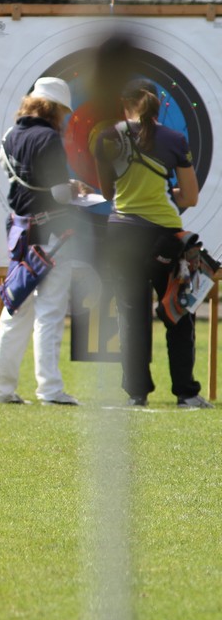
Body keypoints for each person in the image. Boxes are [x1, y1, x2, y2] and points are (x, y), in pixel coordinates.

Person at [97, 78, 211, 408]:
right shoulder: (174, 139)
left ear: (124, 103)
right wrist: (167, 194)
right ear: (159, 104)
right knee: (178, 310)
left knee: (131, 313)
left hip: (122, 233)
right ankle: (186, 393)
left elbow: (108, 193)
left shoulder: (107, 137)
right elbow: (190, 196)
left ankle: (136, 394)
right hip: (165, 237)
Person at [0, 77, 83, 406]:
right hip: (51, 235)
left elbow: (11, 171)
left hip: (19, 233)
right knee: (50, 312)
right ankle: (50, 390)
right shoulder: (50, 140)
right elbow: (57, 194)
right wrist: (73, 189)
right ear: (56, 109)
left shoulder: (11, 135)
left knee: (15, 309)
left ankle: (1, 390)